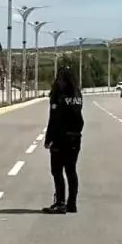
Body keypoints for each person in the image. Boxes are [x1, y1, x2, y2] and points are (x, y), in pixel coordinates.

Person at [43, 65, 84, 214]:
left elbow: (54, 119)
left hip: (61, 138)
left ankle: (60, 202)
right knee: (71, 171)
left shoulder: (58, 94)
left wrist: (49, 139)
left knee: (57, 170)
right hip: (75, 137)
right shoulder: (77, 94)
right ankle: (71, 203)